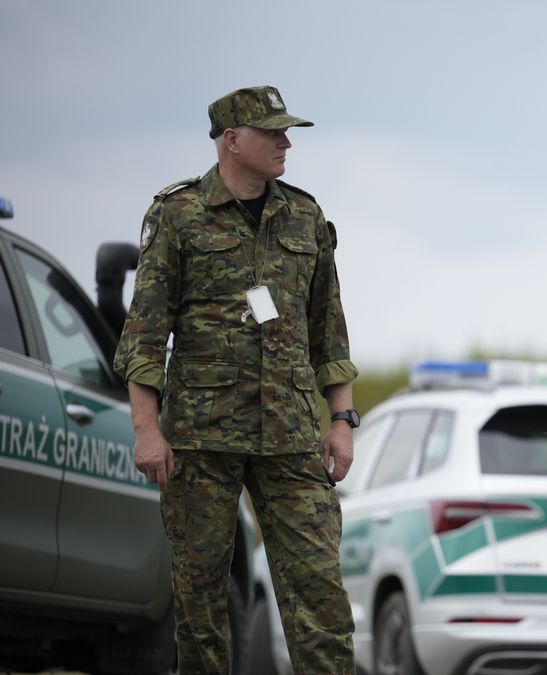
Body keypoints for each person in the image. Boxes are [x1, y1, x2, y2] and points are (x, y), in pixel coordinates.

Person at [114, 85, 360, 675]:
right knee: (201, 610)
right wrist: (147, 432)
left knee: (321, 597)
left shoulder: (304, 215)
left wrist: (342, 421)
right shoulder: (177, 215)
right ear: (232, 140)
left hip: (292, 437)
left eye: (286, 131)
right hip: (201, 440)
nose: (285, 142)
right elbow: (145, 336)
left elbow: (331, 332)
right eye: (272, 132)